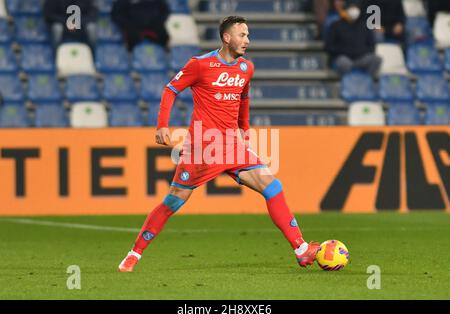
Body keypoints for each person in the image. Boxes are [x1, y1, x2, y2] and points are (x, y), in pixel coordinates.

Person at [118, 16, 320, 272]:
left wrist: (245, 131)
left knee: (272, 185)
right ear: (227, 38)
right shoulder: (200, 65)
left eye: (248, 35)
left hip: (232, 145)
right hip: (203, 147)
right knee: (174, 201)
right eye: (242, 35)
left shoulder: (246, 68)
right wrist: (162, 126)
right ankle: (134, 254)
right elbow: (170, 90)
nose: (247, 40)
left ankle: (301, 249)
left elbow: (243, 98)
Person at [325, 1, 382, 77]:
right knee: (342, 62)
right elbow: (329, 47)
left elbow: (372, 46)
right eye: (351, 8)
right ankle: (347, 83)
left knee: (376, 59)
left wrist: (362, 51)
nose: (354, 10)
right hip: (344, 58)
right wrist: (343, 51)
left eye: (356, 8)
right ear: (346, 9)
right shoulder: (336, 25)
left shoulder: (364, 26)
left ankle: (366, 81)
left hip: (361, 58)